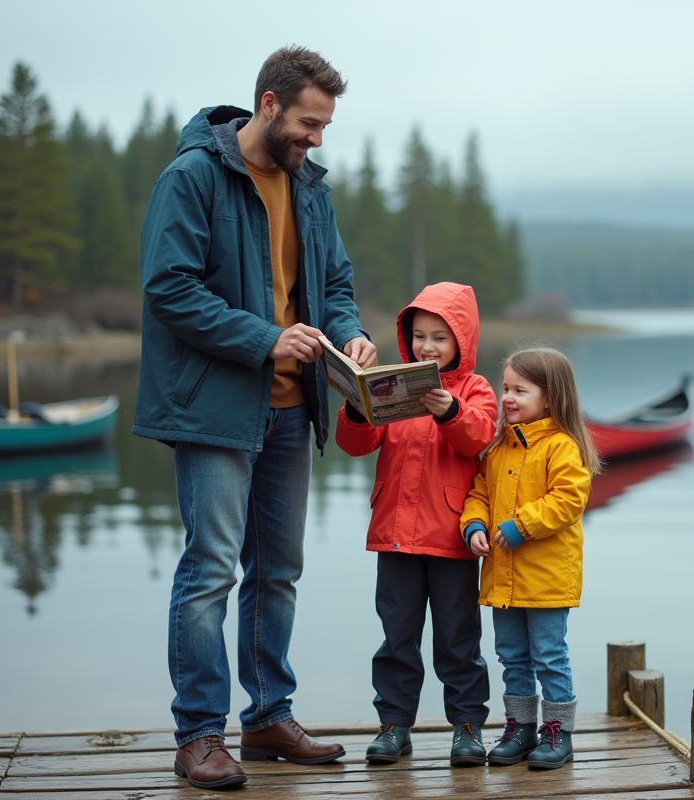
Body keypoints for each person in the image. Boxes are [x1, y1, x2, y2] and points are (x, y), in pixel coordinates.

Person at [133, 46, 377, 790]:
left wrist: (349, 331)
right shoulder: (193, 178)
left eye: (325, 125)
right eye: (308, 123)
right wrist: (266, 337)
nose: (317, 139)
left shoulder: (309, 187)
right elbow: (168, 289)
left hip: (288, 409)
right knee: (209, 570)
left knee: (278, 573)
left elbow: (331, 281)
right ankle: (198, 735)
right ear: (269, 104)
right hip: (212, 411)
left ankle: (269, 715)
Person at [335, 282, 497, 767]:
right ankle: (394, 726)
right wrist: (357, 407)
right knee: (397, 637)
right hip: (395, 537)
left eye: (440, 338)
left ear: (462, 342)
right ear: (408, 338)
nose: (428, 346)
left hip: (452, 539)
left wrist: (450, 411)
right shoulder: (393, 381)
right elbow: (356, 445)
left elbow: (479, 438)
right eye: (421, 336)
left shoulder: (476, 390)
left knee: (458, 640)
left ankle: (467, 727)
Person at [461, 347, 601, 769]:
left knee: (549, 655)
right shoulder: (499, 448)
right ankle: (520, 727)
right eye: (505, 388)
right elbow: (479, 494)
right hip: (503, 575)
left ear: (550, 397)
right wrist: (475, 526)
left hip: (546, 578)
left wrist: (519, 525)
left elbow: (568, 500)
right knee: (512, 655)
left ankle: (558, 732)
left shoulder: (561, 446)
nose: (508, 397)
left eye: (520, 390)